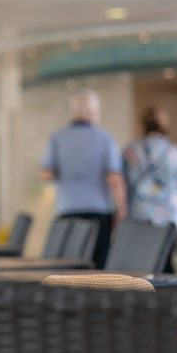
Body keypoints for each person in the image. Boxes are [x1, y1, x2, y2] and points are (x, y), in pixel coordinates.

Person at [40, 89, 127, 268]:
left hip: (68, 210)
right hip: (99, 212)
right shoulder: (105, 138)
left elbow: (46, 174)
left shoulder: (57, 137)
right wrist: (122, 210)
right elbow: (114, 178)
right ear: (94, 112)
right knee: (97, 267)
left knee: (67, 267)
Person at [123, 107, 177, 228]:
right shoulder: (175, 152)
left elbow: (125, 181)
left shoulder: (131, 151)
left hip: (140, 213)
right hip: (170, 213)